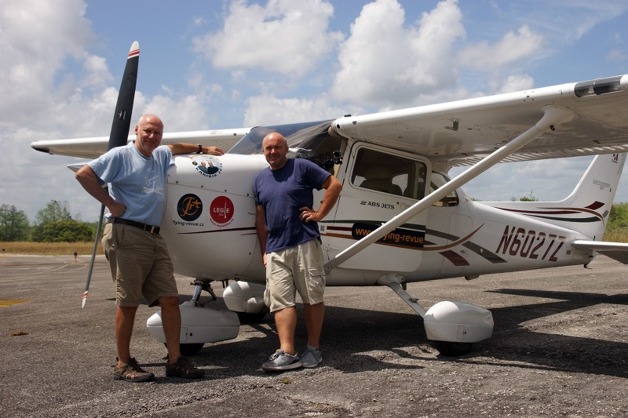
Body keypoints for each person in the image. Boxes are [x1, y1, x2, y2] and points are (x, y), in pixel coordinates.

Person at [75, 114, 224, 382]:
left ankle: (175, 360)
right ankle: (123, 362)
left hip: (154, 236)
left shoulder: (160, 154)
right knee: (128, 301)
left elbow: (175, 148)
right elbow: (84, 173)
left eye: (157, 132)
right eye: (148, 131)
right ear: (137, 131)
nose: (152, 136)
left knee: (169, 299)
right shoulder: (120, 155)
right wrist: (111, 203)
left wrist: (203, 149)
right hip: (126, 232)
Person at [254, 132, 342, 372]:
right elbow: (260, 219)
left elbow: (334, 184)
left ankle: (314, 349)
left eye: (277, 147)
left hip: (304, 242)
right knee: (280, 301)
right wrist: (264, 250)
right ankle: (288, 352)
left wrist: (319, 214)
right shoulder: (260, 179)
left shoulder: (302, 167)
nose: (273, 152)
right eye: (268, 148)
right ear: (264, 152)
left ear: (286, 149)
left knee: (312, 297)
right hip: (275, 249)